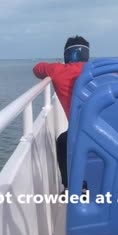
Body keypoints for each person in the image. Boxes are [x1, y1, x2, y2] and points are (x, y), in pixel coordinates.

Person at [32, 35, 89, 189]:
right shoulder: (98, 69)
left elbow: (37, 69)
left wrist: (57, 65)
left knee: (63, 141)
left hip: (82, 133)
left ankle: (70, 186)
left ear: (66, 55)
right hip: (112, 129)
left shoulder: (58, 71)